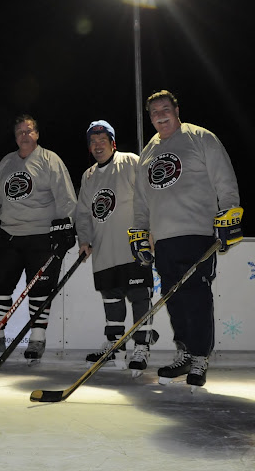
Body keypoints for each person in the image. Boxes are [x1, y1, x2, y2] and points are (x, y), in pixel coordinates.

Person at [131, 89, 242, 389]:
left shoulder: (200, 137)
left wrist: (229, 214)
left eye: (165, 109)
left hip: (197, 233)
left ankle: (200, 357)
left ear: (177, 110)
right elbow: (141, 199)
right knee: (173, 299)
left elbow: (224, 179)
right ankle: (184, 353)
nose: (160, 116)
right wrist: (139, 231)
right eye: (154, 112)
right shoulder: (148, 152)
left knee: (196, 296)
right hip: (163, 239)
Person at [0, 114, 77, 364]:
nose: (24, 135)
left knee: (40, 289)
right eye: (20, 132)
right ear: (15, 137)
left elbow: (65, 196)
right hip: (9, 235)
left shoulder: (50, 160)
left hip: (41, 235)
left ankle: (37, 339)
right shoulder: (7, 162)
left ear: (37, 134)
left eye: (29, 130)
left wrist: (66, 225)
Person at [75, 120, 157, 377]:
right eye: (93, 142)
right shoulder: (88, 176)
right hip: (103, 250)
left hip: (132, 247)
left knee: (139, 297)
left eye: (102, 140)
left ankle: (142, 347)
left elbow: (149, 195)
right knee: (111, 299)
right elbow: (83, 213)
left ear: (113, 143)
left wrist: (151, 231)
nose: (98, 145)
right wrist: (84, 240)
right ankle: (115, 346)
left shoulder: (130, 161)